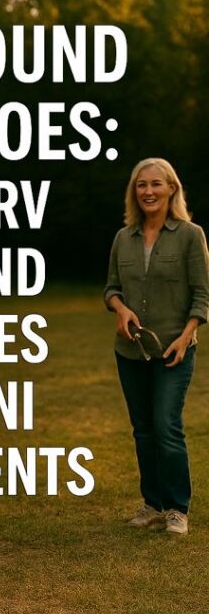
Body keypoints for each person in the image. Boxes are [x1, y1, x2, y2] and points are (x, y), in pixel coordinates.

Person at [104, 157, 209, 536]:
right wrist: (119, 308)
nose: (148, 191)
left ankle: (177, 508)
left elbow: (202, 294)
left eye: (156, 184)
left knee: (166, 426)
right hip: (129, 351)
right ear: (135, 192)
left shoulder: (190, 235)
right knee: (143, 429)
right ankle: (152, 503)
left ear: (171, 189)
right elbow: (111, 288)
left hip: (174, 350)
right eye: (141, 185)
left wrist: (188, 334)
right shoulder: (123, 238)